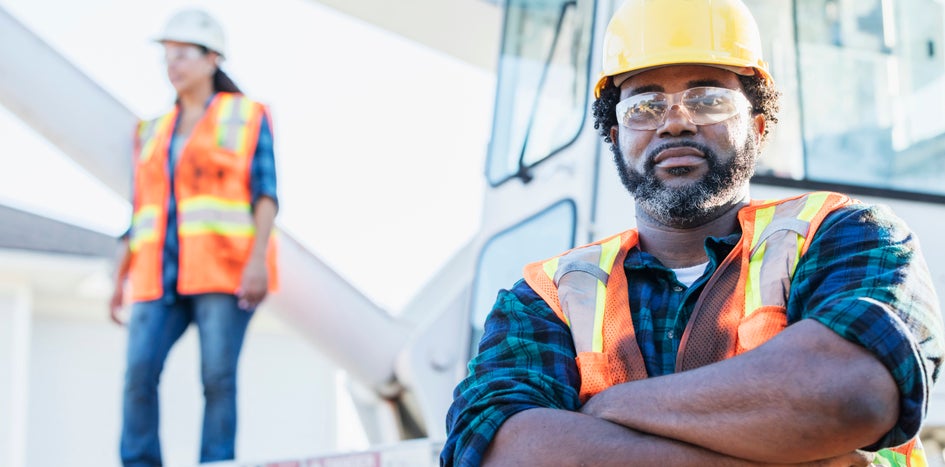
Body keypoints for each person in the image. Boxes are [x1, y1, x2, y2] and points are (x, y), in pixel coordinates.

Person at [441, 0, 944, 465]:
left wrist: (605, 407)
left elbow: (847, 396)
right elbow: (500, 450)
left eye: (707, 100)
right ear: (615, 136)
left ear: (760, 125)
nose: (675, 123)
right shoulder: (546, 297)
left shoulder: (843, 234)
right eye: (645, 106)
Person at [108, 8, 279, 466]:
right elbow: (140, 208)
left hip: (222, 271)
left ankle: (216, 463)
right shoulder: (149, 131)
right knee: (138, 374)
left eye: (182, 54)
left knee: (218, 378)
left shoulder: (246, 115)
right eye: (167, 56)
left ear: (212, 59)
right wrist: (118, 278)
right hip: (155, 276)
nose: (173, 65)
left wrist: (258, 260)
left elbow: (266, 194)